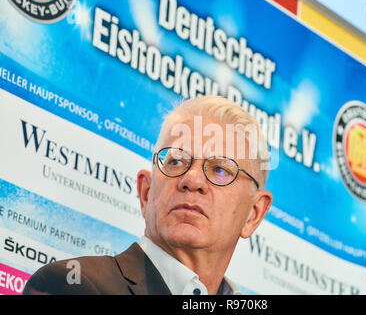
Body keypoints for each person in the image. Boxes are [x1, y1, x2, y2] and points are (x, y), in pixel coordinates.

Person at [23, 95, 273, 295]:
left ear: (253, 214)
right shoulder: (69, 286)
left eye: (220, 169)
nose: (192, 179)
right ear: (146, 192)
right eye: (176, 161)